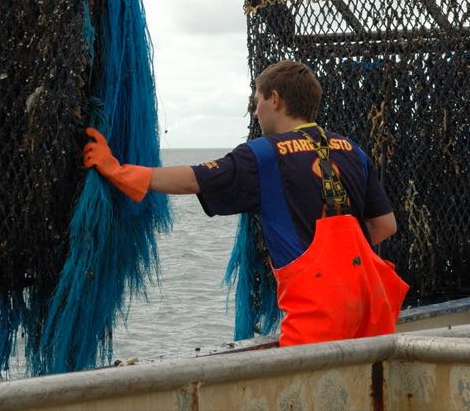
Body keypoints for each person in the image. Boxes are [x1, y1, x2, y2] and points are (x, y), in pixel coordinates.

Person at [84, 60, 409, 347]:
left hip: (318, 317)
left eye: (257, 101)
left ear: (275, 99)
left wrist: (119, 171)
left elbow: (194, 179)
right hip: (372, 310)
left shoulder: (263, 154)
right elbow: (385, 226)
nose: (255, 111)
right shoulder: (352, 150)